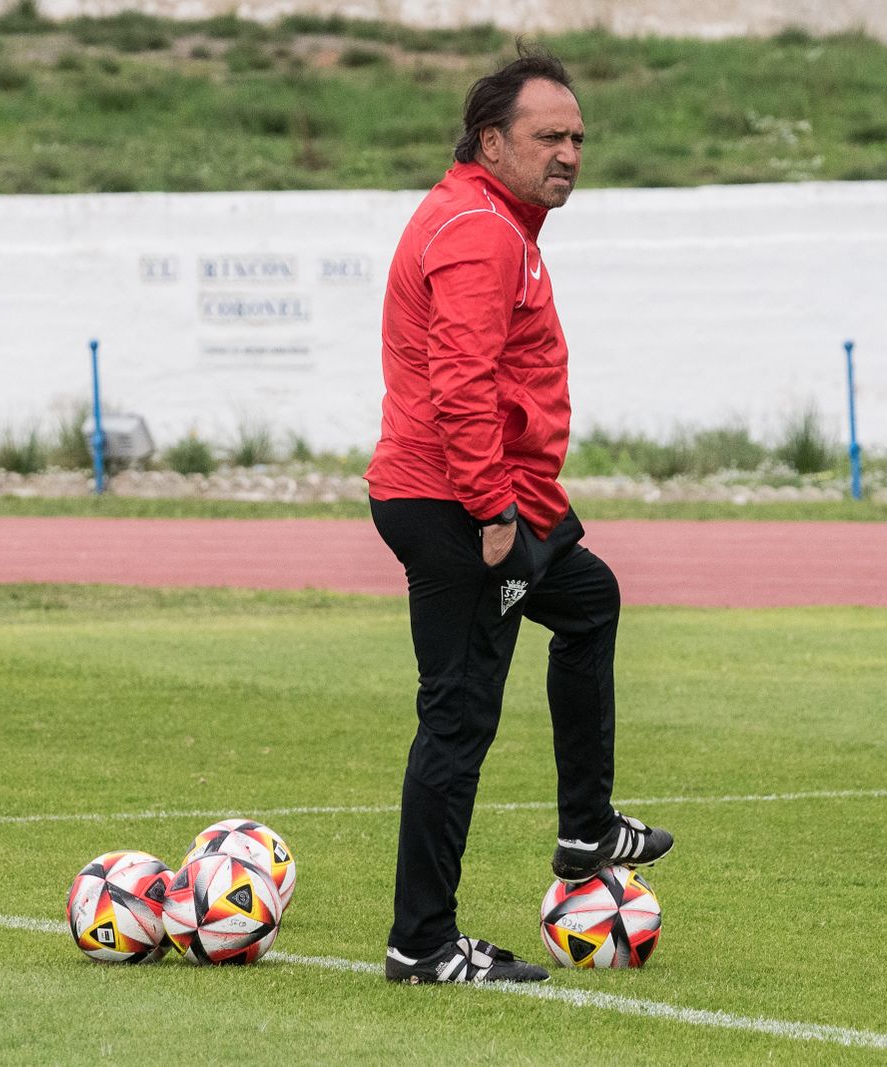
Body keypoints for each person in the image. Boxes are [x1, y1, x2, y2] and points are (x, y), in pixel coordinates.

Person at [364, 45, 673, 985]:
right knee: (458, 720)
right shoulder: (480, 230)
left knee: (589, 600)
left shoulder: (502, 220)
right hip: (462, 505)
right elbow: (460, 382)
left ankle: (585, 828)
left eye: (578, 136)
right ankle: (421, 941)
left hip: (508, 502)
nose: (570, 151)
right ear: (492, 141)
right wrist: (493, 510)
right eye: (549, 136)